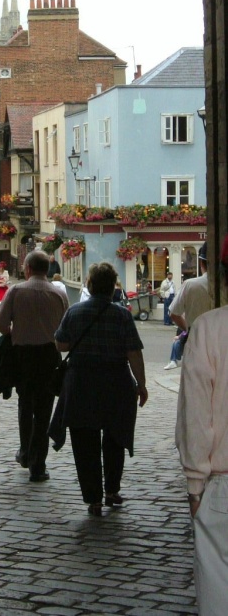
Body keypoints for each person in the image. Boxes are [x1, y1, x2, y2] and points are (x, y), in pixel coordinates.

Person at [49, 262, 148, 517]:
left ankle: (93, 498)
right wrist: (141, 384)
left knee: (85, 443)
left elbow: (60, 344)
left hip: (81, 382)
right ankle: (112, 490)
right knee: (115, 438)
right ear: (113, 287)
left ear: (90, 286)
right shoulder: (122, 315)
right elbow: (133, 352)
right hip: (116, 382)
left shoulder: (75, 312)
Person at [176, 235, 228, 616]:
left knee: (219, 594)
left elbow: (197, 416)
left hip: (224, 484)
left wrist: (196, 485)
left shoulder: (210, 329)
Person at [0, 251, 68, 483]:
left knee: (25, 405)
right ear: (46, 269)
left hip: (23, 356)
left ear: (27, 269)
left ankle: (26, 452)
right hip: (49, 355)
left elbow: (0, 323)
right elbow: (65, 329)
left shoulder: (16, 291)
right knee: (44, 411)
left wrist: (15, 332)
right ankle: (38, 464)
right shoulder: (58, 294)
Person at [166, 242, 213, 370]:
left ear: (201, 263)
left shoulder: (190, 285)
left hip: (198, 342)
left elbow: (173, 313)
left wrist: (188, 329)